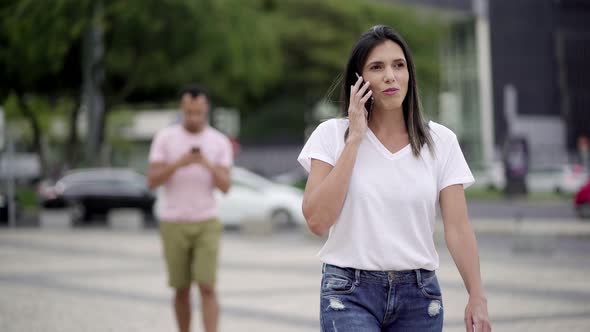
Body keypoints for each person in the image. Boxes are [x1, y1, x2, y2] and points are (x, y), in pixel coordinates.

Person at [298, 25, 491, 332]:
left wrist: (476, 295)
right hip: (349, 293)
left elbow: (457, 227)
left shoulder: (441, 141)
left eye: (398, 65)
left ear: (409, 74)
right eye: (377, 67)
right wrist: (355, 139)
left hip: (419, 295)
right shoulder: (331, 136)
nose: (390, 75)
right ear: (358, 80)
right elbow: (317, 221)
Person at [148, 84, 233, 332]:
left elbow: (226, 186)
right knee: (181, 289)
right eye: (188, 112)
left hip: (206, 221)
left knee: (207, 286)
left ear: (206, 110)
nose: (193, 118)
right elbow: (152, 180)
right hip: (173, 222)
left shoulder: (219, 141)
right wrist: (179, 163)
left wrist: (206, 163)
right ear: (181, 109)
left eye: (198, 113)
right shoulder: (165, 138)